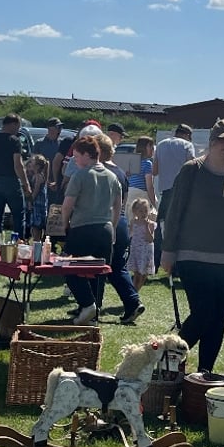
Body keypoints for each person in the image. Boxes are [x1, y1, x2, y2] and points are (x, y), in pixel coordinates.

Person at [160, 118, 224, 375]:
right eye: (223, 141)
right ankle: (166, 364)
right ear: (212, 142)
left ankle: (203, 375)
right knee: (203, 314)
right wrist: (168, 252)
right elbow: (174, 213)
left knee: (218, 320)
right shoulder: (192, 170)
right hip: (193, 257)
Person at [61, 134, 122, 325]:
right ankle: (94, 314)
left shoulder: (80, 175)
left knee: (68, 268)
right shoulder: (113, 176)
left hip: (82, 228)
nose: (75, 160)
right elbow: (118, 206)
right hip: (105, 230)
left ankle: (88, 305)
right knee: (98, 273)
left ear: (87, 155)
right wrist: (112, 227)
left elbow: (67, 205)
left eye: (77, 156)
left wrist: (65, 225)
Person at [95, 133, 145, 324]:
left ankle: (92, 306)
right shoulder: (121, 172)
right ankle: (133, 302)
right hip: (122, 222)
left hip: (106, 222)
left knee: (95, 265)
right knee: (117, 267)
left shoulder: (100, 172)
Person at [152, 123, 195, 267]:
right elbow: (192, 169)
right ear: (188, 135)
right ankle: (178, 262)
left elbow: (155, 170)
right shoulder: (188, 145)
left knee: (161, 226)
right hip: (182, 191)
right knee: (181, 225)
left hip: (166, 191)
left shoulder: (161, 145)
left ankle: (156, 260)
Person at [0, 113, 32, 236]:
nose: (18, 129)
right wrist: (26, 184)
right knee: (18, 215)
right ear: (13, 124)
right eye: (18, 126)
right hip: (11, 181)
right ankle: (19, 240)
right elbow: (18, 165)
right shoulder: (14, 141)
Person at [128, 197, 156, 290]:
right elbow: (130, 235)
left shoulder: (151, 224)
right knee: (137, 273)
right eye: (140, 211)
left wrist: (147, 226)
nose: (143, 213)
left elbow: (150, 239)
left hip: (146, 251)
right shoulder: (133, 222)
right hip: (137, 250)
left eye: (145, 211)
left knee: (144, 274)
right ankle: (134, 291)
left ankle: (136, 290)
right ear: (135, 212)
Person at [126, 136, 156, 219]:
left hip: (130, 192)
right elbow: (149, 186)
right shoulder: (147, 163)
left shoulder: (132, 161)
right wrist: (154, 203)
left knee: (131, 222)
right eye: (152, 147)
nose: (153, 150)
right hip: (141, 193)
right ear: (147, 147)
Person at [27, 153, 50, 242]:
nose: (30, 164)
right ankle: (37, 241)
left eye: (32, 162)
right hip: (39, 203)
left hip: (37, 203)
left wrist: (30, 200)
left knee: (36, 226)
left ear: (37, 166)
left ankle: (37, 242)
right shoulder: (37, 175)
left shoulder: (38, 176)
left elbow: (36, 191)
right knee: (35, 226)